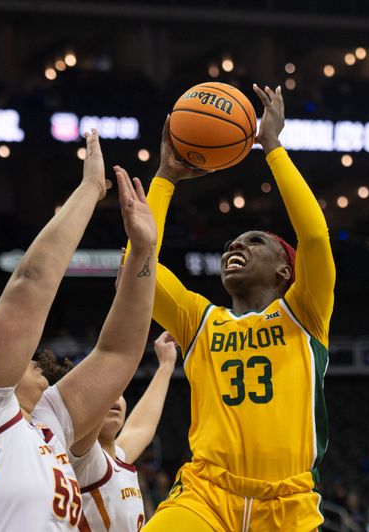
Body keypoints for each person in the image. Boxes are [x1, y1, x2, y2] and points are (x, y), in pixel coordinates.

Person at [0, 130, 158, 531]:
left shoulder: (46, 424)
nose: (36, 357)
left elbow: (117, 355)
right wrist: (90, 191)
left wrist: (145, 251)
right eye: (25, 356)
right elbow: (30, 283)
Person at [133, 84, 336, 531]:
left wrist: (274, 147)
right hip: (206, 495)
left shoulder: (305, 314)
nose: (235, 246)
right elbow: (137, 269)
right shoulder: (199, 320)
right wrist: (165, 177)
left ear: (286, 271)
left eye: (253, 241)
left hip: (289, 505)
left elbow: (316, 239)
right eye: (231, 243)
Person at [66, 331, 178, 531]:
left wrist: (166, 365)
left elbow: (141, 428)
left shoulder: (117, 456)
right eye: (107, 392)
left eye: (120, 393)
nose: (115, 397)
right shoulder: (83, 457)